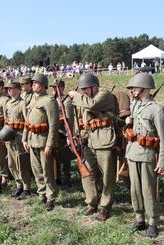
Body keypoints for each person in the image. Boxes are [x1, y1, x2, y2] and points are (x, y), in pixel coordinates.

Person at [125, 72, 164, 238]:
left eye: (134, 88)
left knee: (149, 190)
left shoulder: (157, 110)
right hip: (133, 153)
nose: (131, 91)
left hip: (148, 155)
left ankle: (153, 222)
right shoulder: (135, 106)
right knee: (135, 189)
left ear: (144, 89)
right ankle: (139, 218)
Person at [68, 73, 118, 221]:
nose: (83, 92)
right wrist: (78, 137)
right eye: (81, 89)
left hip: (105, 141)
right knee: (87, 174)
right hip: (89, 142)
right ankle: (91, 203)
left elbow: (92, 105)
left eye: (85, 89)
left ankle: (105, 207)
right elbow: (82, 120)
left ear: (94, 86)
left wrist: (75, 95)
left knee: (107, 177)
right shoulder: (84, 99)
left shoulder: (104, 94)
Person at [22, 73, 59, 211]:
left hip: (43, 142)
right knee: (37, 170)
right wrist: (25, 138)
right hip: (32, 140)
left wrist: (50, 144)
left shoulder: (49, 101)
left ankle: (51, 197)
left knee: (47, 171)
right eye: (33, 83)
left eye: (36, 83)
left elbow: (54, 125)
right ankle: (42, 194)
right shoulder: (32, 100)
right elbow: (28, 122)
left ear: (43, 85)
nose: (33, 85)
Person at [3, 81, 32, 199]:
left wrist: (25, 138)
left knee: (21, 163)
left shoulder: (22, 104)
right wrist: (4, 138)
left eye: (12, 88)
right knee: (11, 164)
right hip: (9, 138)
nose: (9, 91)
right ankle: (18, 185)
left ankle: (26, 187)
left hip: (19, 137)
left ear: (18, 90)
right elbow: (6, 121)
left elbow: (27, 123)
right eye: (8, 89)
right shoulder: (8, 103)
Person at [49, 80, 74, 187]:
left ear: (62, 88)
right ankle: (57, 177)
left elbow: (70, 119)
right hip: (54, 132)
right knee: (55, 157)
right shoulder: (52, 100)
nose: (54, 89)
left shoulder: (66, 101)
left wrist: (69, 133)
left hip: (63, 132)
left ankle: (67, 178)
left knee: (65, 157)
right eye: (53, 88)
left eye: (56, 87)